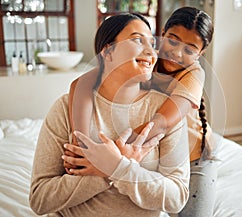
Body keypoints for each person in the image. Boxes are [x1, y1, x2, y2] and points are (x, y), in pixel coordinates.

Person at [29, 13, 190, 217]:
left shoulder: (165, 111)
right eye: (138, 40)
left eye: (152, 43)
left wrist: (118, 167)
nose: (151, 51)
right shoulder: (65, 107)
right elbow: (39, 199)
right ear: (108, 51)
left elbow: (177, 199)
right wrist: (108, 171)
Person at [64, 7, 217, 217]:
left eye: (190, 50)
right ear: (162, 34)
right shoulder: (146, 59)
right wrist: (80, 145)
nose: (177, 53)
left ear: (200, 54)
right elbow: (80, 84)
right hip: (158, 151)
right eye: (172, 40)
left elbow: (162, 122)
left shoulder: (194, 74)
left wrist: (108, 157)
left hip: (194, 157)